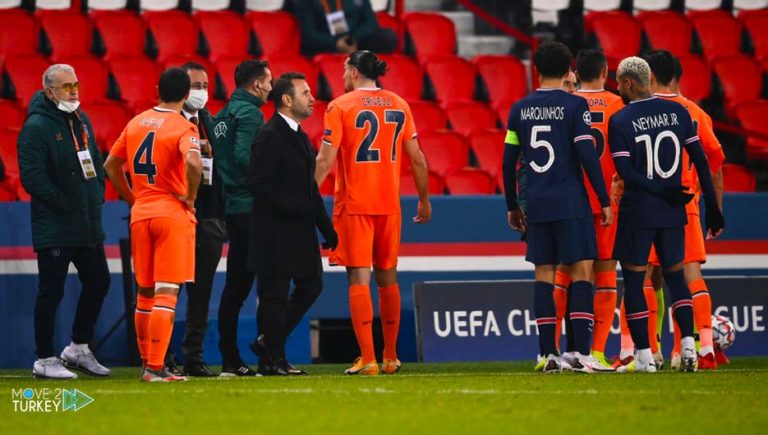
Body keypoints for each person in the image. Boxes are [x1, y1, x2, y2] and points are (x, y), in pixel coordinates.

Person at [315, 50, 431, 375]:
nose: (341, 76)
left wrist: (307, 196)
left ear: (353, 72)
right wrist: (424, 199)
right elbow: (418, 158)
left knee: (358, 277)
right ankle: (391, 356)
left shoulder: (340, 106)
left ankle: (367, 359)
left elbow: (325, 160)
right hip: (388, 205)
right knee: (388, 276)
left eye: (343, 70)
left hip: (355, 204)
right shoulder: (399, 104)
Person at [502, 41, 613, 373]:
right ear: (569, 71)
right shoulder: (575, 106)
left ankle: (549, 354)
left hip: (536, 203)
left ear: (535, 70)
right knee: (582, 272)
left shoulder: (519, 109)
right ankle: (580, 354)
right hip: (570, 202)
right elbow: (587, 154)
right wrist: (604, 199)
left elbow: (508, 163)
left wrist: (512, 206)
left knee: (544, 277)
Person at [609, 56, 724, 373]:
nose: (618, 88)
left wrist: (659, 190)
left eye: (619, 83)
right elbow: (702, 161)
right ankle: (689, 349)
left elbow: (626, 172)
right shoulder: (679, 112)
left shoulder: (620, 120)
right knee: (678, 280)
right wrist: (712, 209)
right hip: (678, 211)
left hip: (639, 212)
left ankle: (643, 355)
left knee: (635, 281)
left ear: (629, 83)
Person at [104, 67, 203, 382]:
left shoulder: (136, 122)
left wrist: (132, 198)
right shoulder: (183, 126)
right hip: (170, 213)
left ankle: (148, 364)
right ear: (187, 95)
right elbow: (193, 162)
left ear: (157, 89)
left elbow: (111, 164)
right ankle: (156, 368)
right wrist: (189, 197)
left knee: (145, 293)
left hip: (142, 212)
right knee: (167, 292)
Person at [18, 64, 112, 379]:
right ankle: (44, 358)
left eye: (76, 84)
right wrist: (65, 202)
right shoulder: (36, 127)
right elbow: (32, 177)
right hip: (56, 225)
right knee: (51, 291)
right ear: (49, 91)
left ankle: (78, 348)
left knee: (99, 281)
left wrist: (96, 193)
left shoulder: (81, 119)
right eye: (66, 86)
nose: (74, 91)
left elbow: (96, 161)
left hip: (86, 222)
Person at [247, 72, 337, 376]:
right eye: (305, 93)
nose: (312, 98)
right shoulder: (270, 134)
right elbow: (258, 183)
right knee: (274, 294)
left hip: (299, 229)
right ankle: (272, 358)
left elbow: (310, 189)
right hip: (275, 231)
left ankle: (268, 345)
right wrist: (294, 208)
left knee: (312, 284)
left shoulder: (298, 135)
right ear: (286, 100)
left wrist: (326, 227)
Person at [642, 50, 725, 370]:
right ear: (677, 76)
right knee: (689, 274)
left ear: (649, 77)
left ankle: (650, 351)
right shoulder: (696, 114)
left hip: (648, 205)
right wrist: (715, 209)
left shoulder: (640, 112)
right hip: (687, 204)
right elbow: (714, 167)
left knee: (648, 276)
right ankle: (699, 348)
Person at [212, 60, 271, 377]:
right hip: (251, 208)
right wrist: (270, 179)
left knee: (235, 288)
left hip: (233, 207)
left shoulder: (224, 114)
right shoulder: (251, 114)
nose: (271, 88)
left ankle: (229, 359)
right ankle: (267, 357)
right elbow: (243, 156)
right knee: (267, 285)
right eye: (269, 82)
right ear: (258, 84)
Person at [178, 62, 227, 377]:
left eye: (204, 84)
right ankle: (158, 356)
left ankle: (192, 357)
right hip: (178, 215)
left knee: (201, 293)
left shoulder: (210, 121)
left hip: (210, 218)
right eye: (195, 85)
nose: (201, 91)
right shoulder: (170, 123)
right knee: (167, 290)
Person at [293, 0, 397, 56]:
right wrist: (335, 43)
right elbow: (308, 34)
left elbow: (371, 23)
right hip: (327, 44)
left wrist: (353, 39)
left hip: (356, 40)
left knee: (387, 37)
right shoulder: (305, 2)